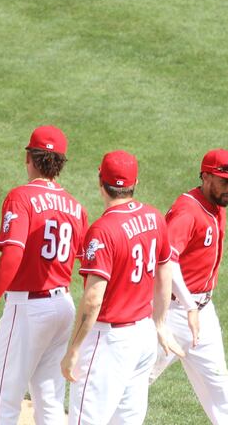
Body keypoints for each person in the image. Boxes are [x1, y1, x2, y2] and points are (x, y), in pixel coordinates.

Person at [60, 150, 184, 425]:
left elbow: (93, 298)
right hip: (143, 337)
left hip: (108, 342)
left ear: (100, 181)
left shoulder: (103, 229)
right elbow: (165, 270)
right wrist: (160, 323)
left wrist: (74, 349)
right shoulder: (154, 217)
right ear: (135, 182)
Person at [0, 126, 87, 424]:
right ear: (60, 163)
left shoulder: (20, 197)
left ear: (30, 158)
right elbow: (86, 265)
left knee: (4, 399)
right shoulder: (76, 207)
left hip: (28, 310)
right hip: (63, 306)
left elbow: (13, 253)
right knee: (49, 398)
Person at [149, 148, 228, 424]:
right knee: (137, 380)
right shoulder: (187, 211)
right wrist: (189, 304)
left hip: (202, 314)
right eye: (224, 181)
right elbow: (166, 260)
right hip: (171, 313)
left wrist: (196, 306)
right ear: (205, 176)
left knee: (221, 389)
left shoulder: (217, 206)